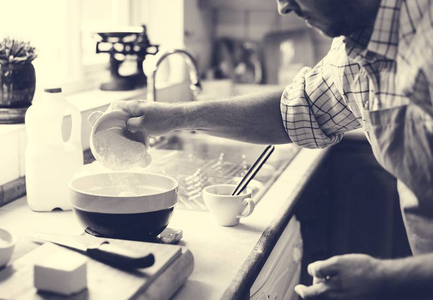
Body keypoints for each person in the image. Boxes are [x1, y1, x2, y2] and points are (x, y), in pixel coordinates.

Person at [110, 0, 433, 299]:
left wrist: (387, 277)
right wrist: (176, 116)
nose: (283, 6)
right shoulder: (357, 46)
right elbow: (295, 110)